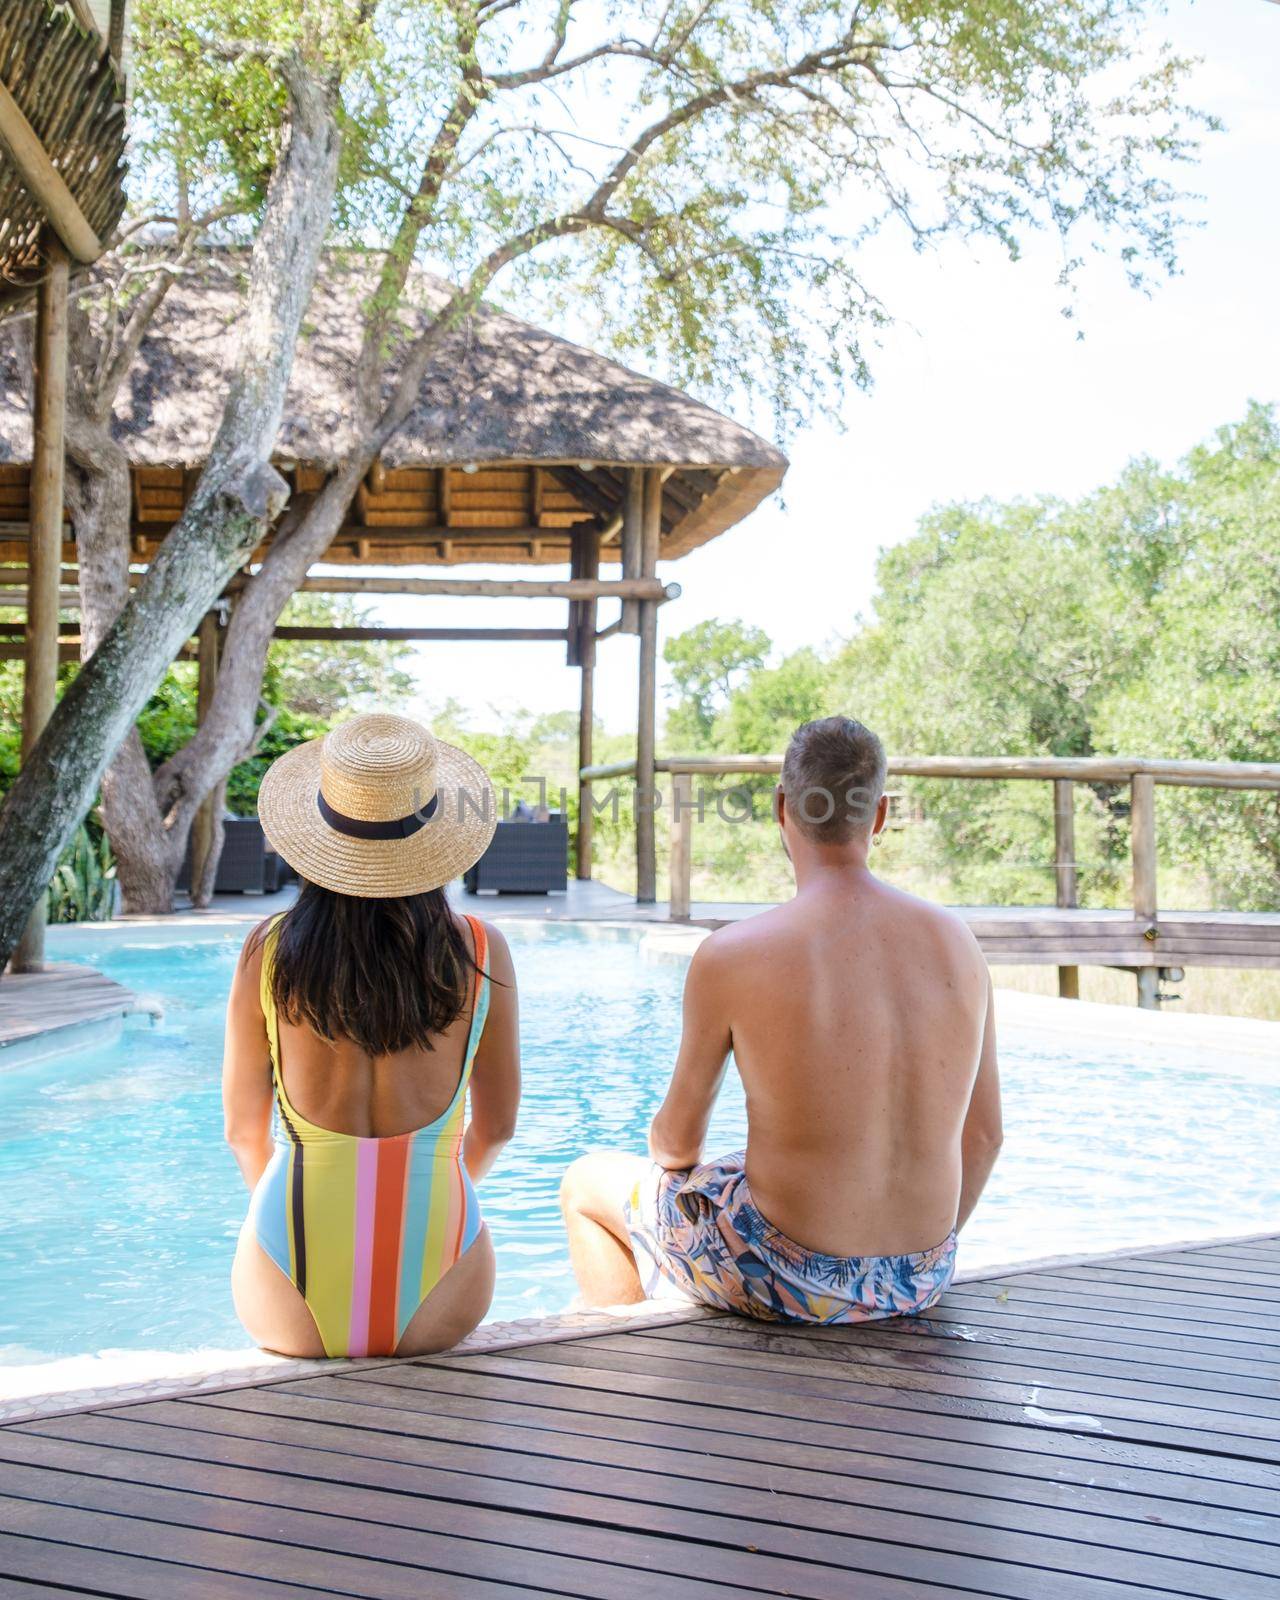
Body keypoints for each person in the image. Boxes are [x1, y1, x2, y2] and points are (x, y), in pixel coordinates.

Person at [561, 714, 1001, 1324]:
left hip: (786, 1275)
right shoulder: (960, 945)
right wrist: (905, 1260)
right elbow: (983, 1137)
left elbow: (675, 1144)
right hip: (919, 1277)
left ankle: (628, 1363)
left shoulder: (734, 954)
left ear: (780, 808)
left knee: (586, 1183)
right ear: (878, 816)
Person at [222, 713, 520, 1358]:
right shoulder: (480, 951)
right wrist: (434, 1186)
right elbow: (496, 1129)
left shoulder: (267, 953)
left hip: (286, 1279)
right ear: (436, 838)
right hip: (446, 1278)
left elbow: (243, 1133)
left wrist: (287, 1217)